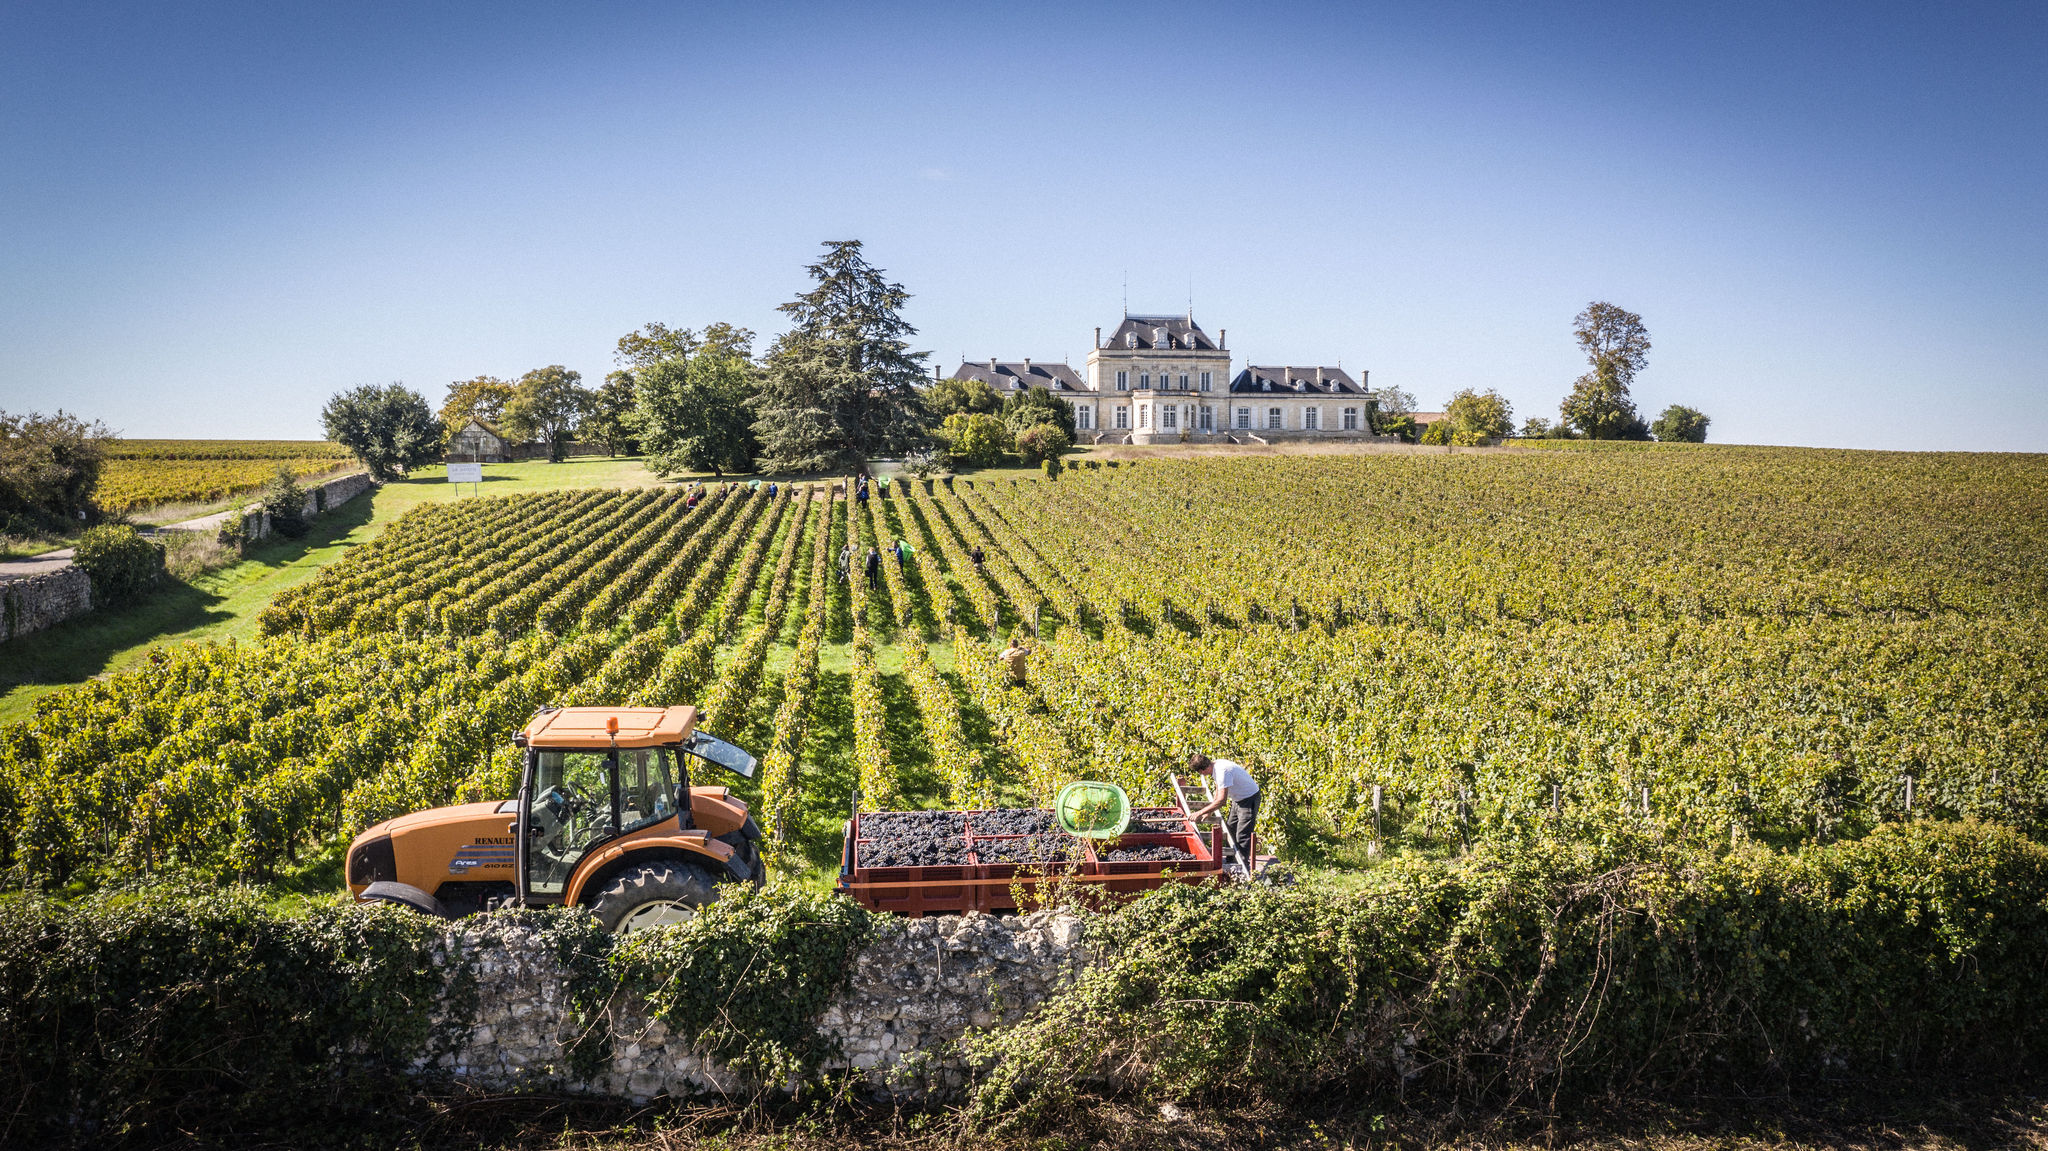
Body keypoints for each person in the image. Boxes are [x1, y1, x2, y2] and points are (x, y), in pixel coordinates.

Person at [1186, 752, 1260, 874]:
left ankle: (1242, 866)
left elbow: (1222, 801)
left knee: (1243, 833)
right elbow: (1218, 788)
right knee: (1230, 828)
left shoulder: (1222, 771)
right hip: (1238, 799)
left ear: (1202, 770)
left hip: (1249, 798)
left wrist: (1200, 812)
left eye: (1200, 773)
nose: (1202, 775)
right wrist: (1210, 811)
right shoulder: (1216, 766)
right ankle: (1232, 858)